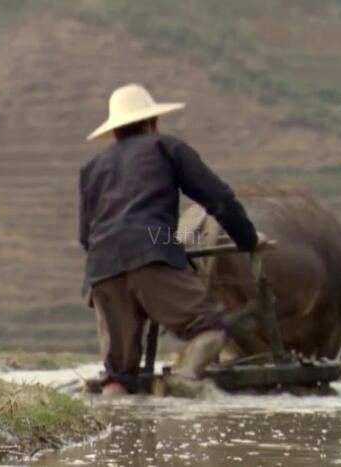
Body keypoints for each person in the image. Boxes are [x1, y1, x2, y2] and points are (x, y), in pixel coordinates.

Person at [79, 83, 262, 396]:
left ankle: (115, 430)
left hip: (101, 267)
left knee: (118, 375)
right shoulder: (167, 148)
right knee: (211, 327)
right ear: (153, 122)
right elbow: (219, 199)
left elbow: (86, 235)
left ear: (114, 132)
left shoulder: (92, 169)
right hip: (151, 248)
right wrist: (247, 240)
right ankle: (185, 379)